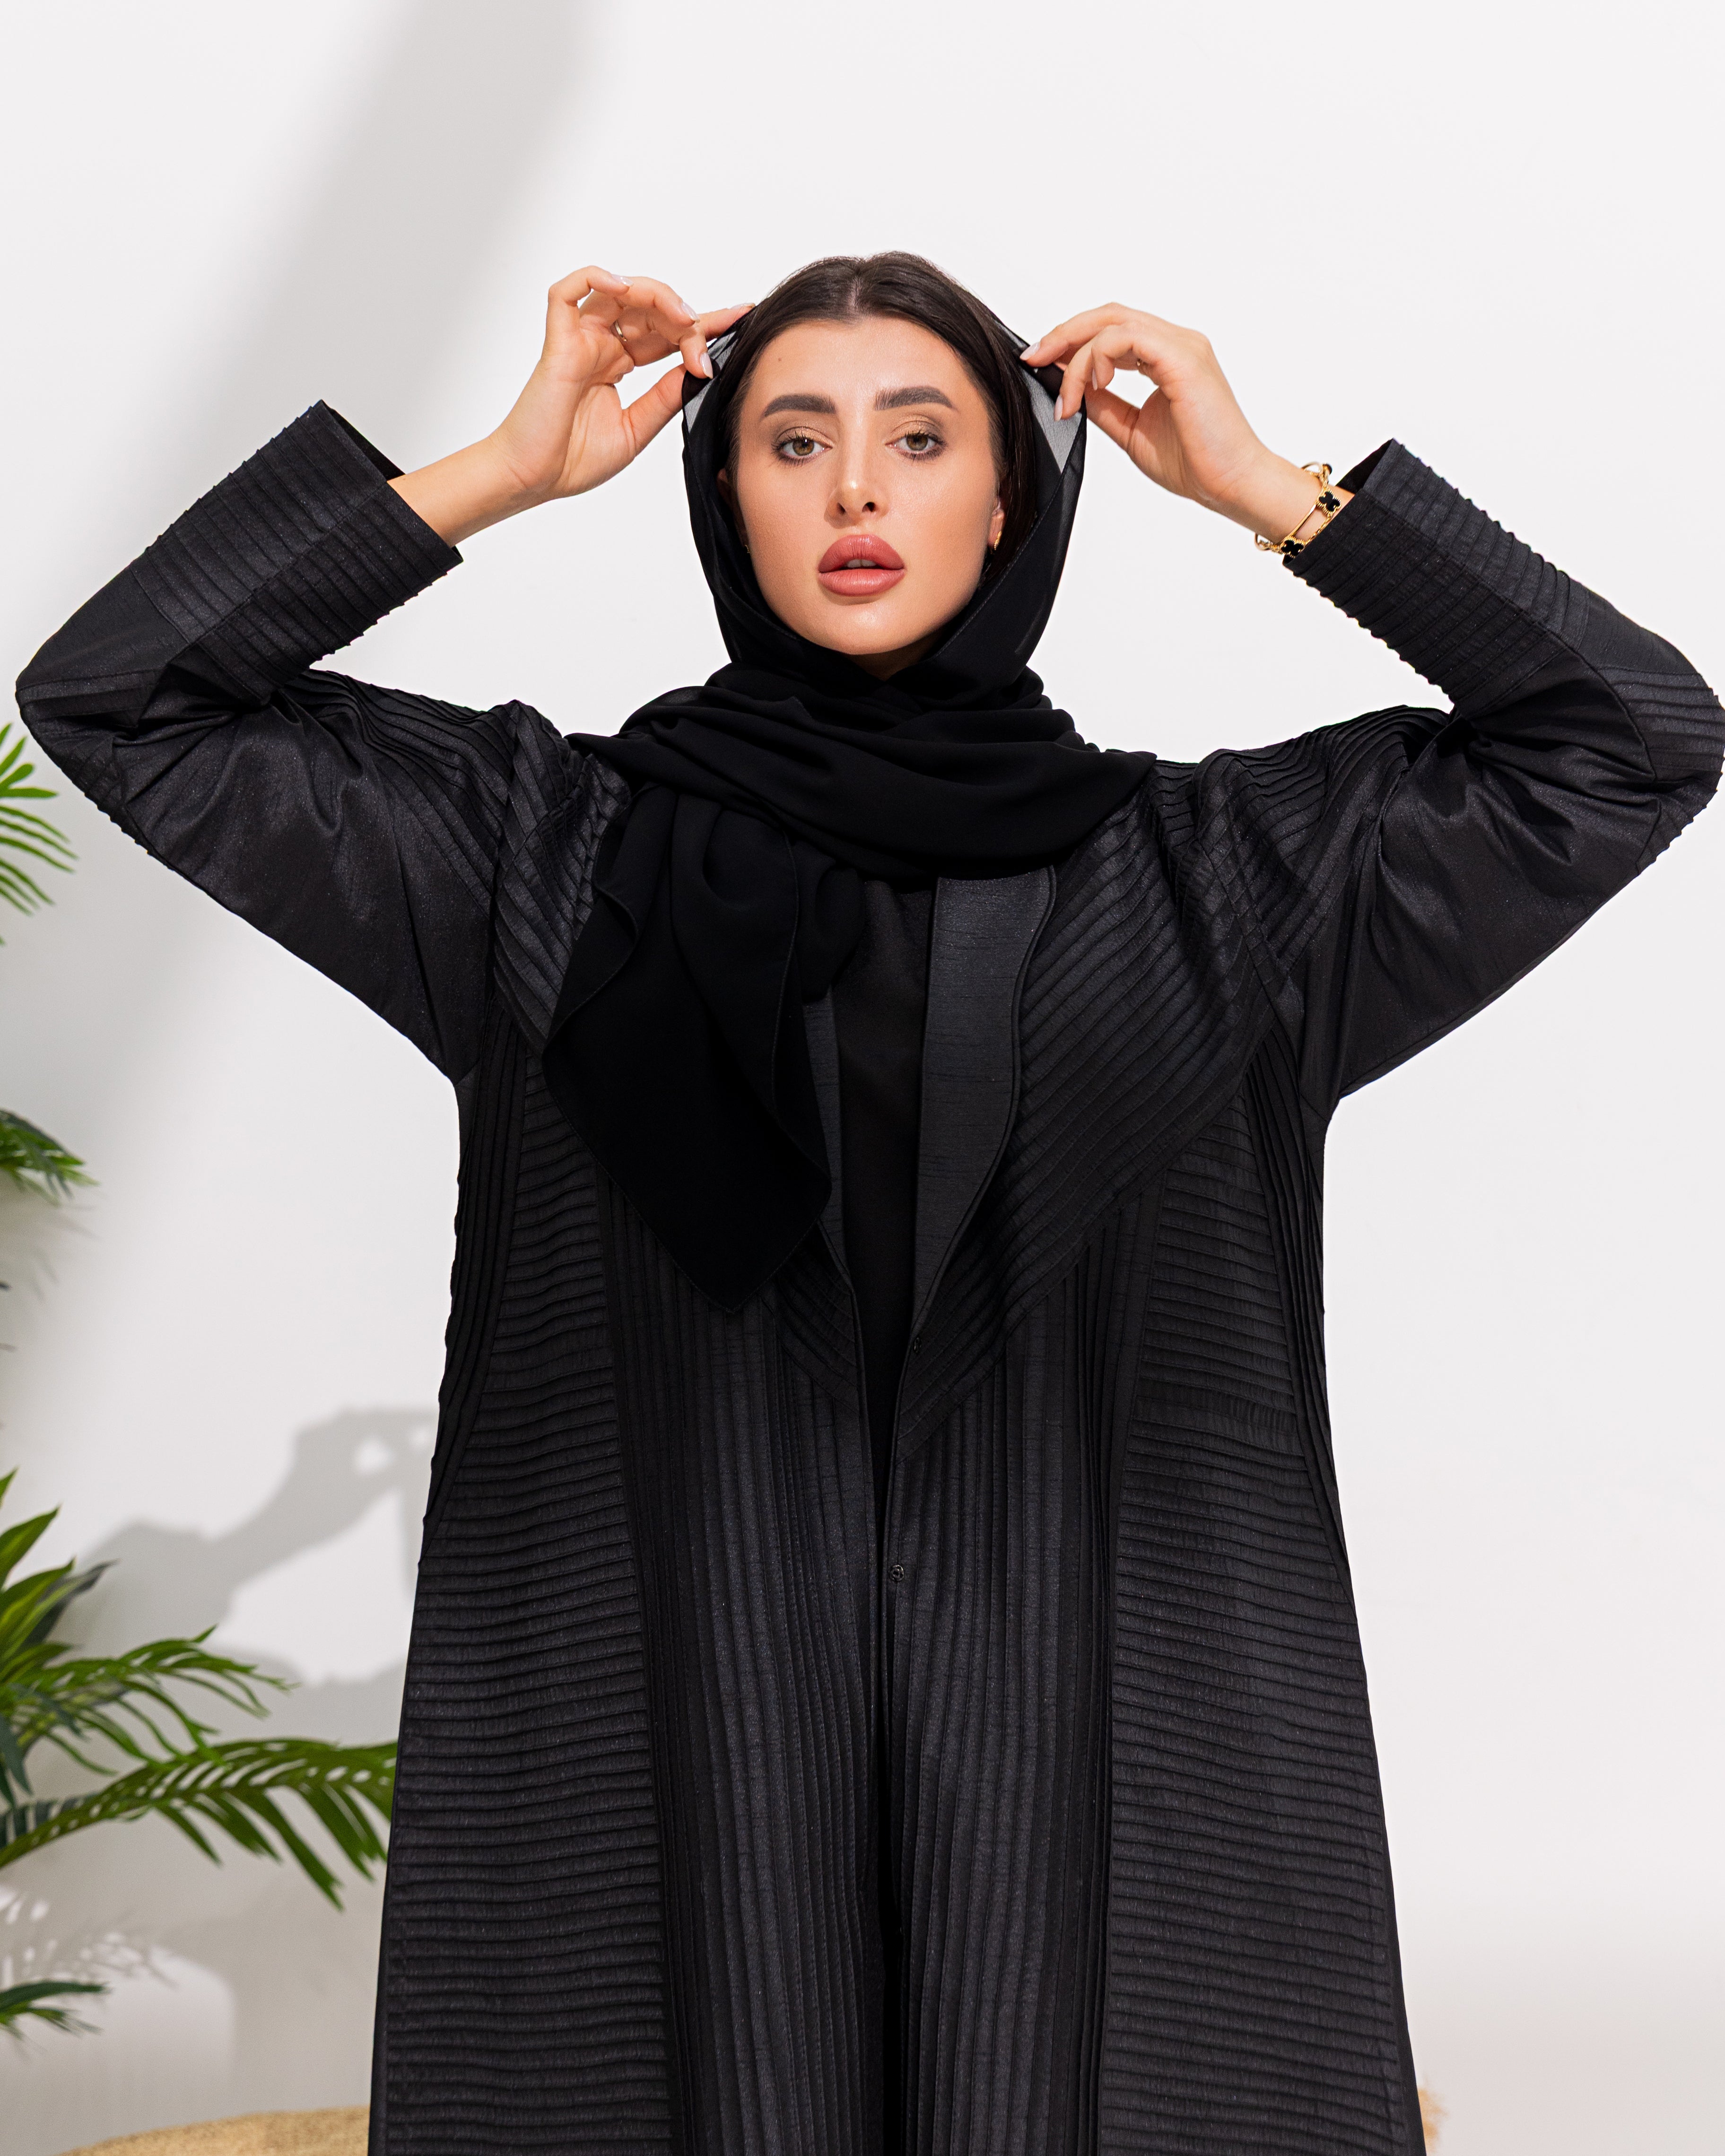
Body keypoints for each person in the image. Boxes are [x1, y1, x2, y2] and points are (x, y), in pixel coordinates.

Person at [17, 252, 1720, 2156]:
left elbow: (1634, 738)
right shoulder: (537, 863)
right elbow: (122, 697)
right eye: (791, 441)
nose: (852, 490)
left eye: (921, 440)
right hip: (696, 1779)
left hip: (1098, 1790)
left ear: (1011, 501)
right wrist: (500, 468)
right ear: (719, 495)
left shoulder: (1228, 889)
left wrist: (1276, 493)